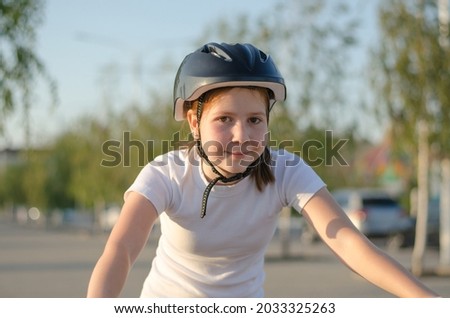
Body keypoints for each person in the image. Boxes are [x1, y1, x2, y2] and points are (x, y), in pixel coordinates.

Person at [87, 42, 439, 298]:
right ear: (195, 122)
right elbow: (121, 251)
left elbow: (348, 242)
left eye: (254, 119)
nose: (242, 135)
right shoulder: (166, 174)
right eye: (224, 119)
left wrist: (428, 303)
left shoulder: (285, 171)